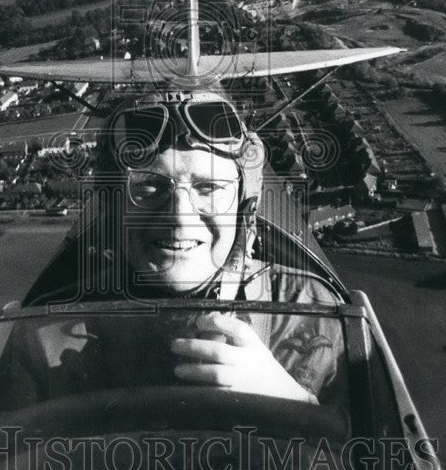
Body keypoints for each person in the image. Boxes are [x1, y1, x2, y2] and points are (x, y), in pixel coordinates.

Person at [27, 88, 345, 404]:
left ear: (243, 208)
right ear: (114, 208)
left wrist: (295, 400)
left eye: (209, 187)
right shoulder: (44, 335)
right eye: (148, 186)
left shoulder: (316, 312)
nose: (179, 218)